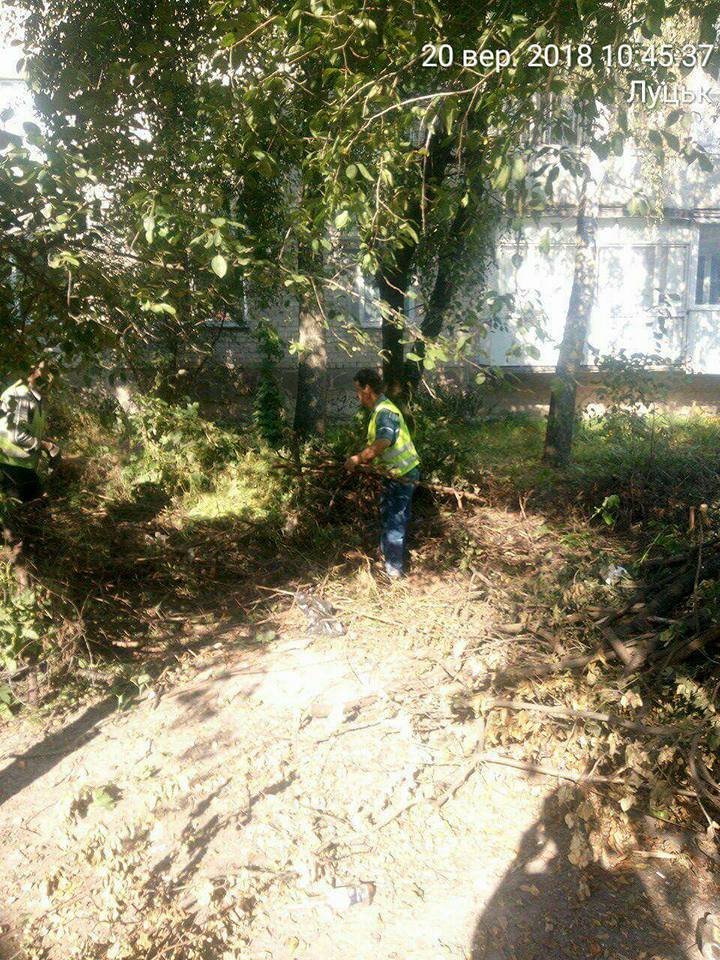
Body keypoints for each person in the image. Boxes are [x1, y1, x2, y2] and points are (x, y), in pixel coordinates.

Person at [345, 368, 420, 579]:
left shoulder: (385, 412)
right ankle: (387, 561)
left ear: (367, 389)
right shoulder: (380, 409)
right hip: (394, 474)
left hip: (403, 474)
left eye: (357, 390)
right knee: (388, 517)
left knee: (395, 521)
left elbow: (384, 441)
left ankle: (394, 572)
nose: (357, 395)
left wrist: (358, 459)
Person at [0, 361, 58, 503]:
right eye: (43, 375)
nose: (47, 381)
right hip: (9, 464)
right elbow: (16, 435)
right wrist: (47, 446)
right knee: (38, 504)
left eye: (50, 377)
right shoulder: (23, 396)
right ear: (31, 373)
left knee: (38, 503)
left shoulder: (35, 397)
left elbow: (28, 429)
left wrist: (47, 442)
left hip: (20, 464)